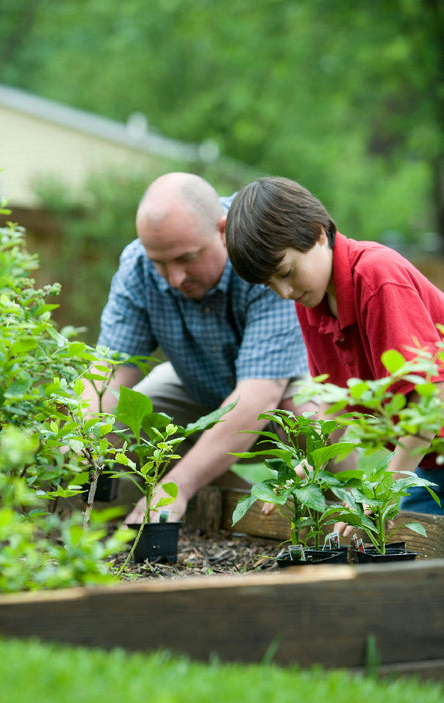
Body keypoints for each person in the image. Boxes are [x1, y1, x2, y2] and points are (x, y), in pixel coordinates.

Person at [84, 172, 314, 523]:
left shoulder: (261, 248)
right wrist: (82, 437)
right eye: (160, 263)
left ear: (222, 231)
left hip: (281, 389)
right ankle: (228, 506)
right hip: (198, 390)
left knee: (311, 420)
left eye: (186, 258)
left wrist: (177, 486)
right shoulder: (137, 267)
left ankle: (334, 516)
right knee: (128, 419)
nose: (174, 278)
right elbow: (108, 373)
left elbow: (259, 395)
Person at [224, 175, 444, 516]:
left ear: (317, 233)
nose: (283, 292)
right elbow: (335, 405)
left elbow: (431, 398)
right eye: (269, 285)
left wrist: (379, 491)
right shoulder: (311, 303)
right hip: (431, 461)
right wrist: (308, 468)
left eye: (285, 272)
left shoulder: (376, 277)